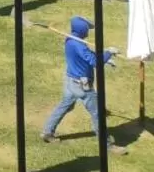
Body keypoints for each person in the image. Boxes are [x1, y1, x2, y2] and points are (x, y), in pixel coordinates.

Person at [41, 16, 125, 154]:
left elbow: (87, 56)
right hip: (82, 86)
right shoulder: (79, 44)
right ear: (82, 30)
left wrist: (106, 59)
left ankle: (47, 132)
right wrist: (108, 53)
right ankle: (108, 145)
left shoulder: (71, 40)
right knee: (98, 114)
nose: (88, 31)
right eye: (87, 29)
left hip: (70, 81)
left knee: (65, 105)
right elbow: (94, 62)